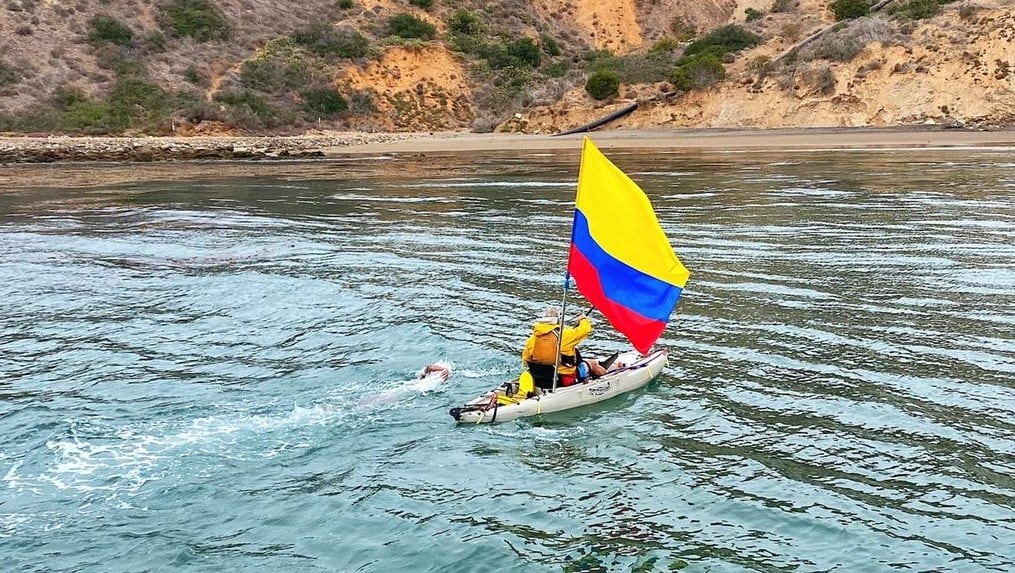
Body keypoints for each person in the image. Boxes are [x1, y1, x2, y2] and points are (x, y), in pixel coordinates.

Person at [521, 307, 606, 391]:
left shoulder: (533, 339)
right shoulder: (564, 335)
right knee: (594, 364)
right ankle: (607, 384)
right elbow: (585, 330)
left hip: (540, 379)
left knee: (590, 362)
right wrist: (583, 319)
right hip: (565, 378)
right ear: (557, 320)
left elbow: (525, 359)